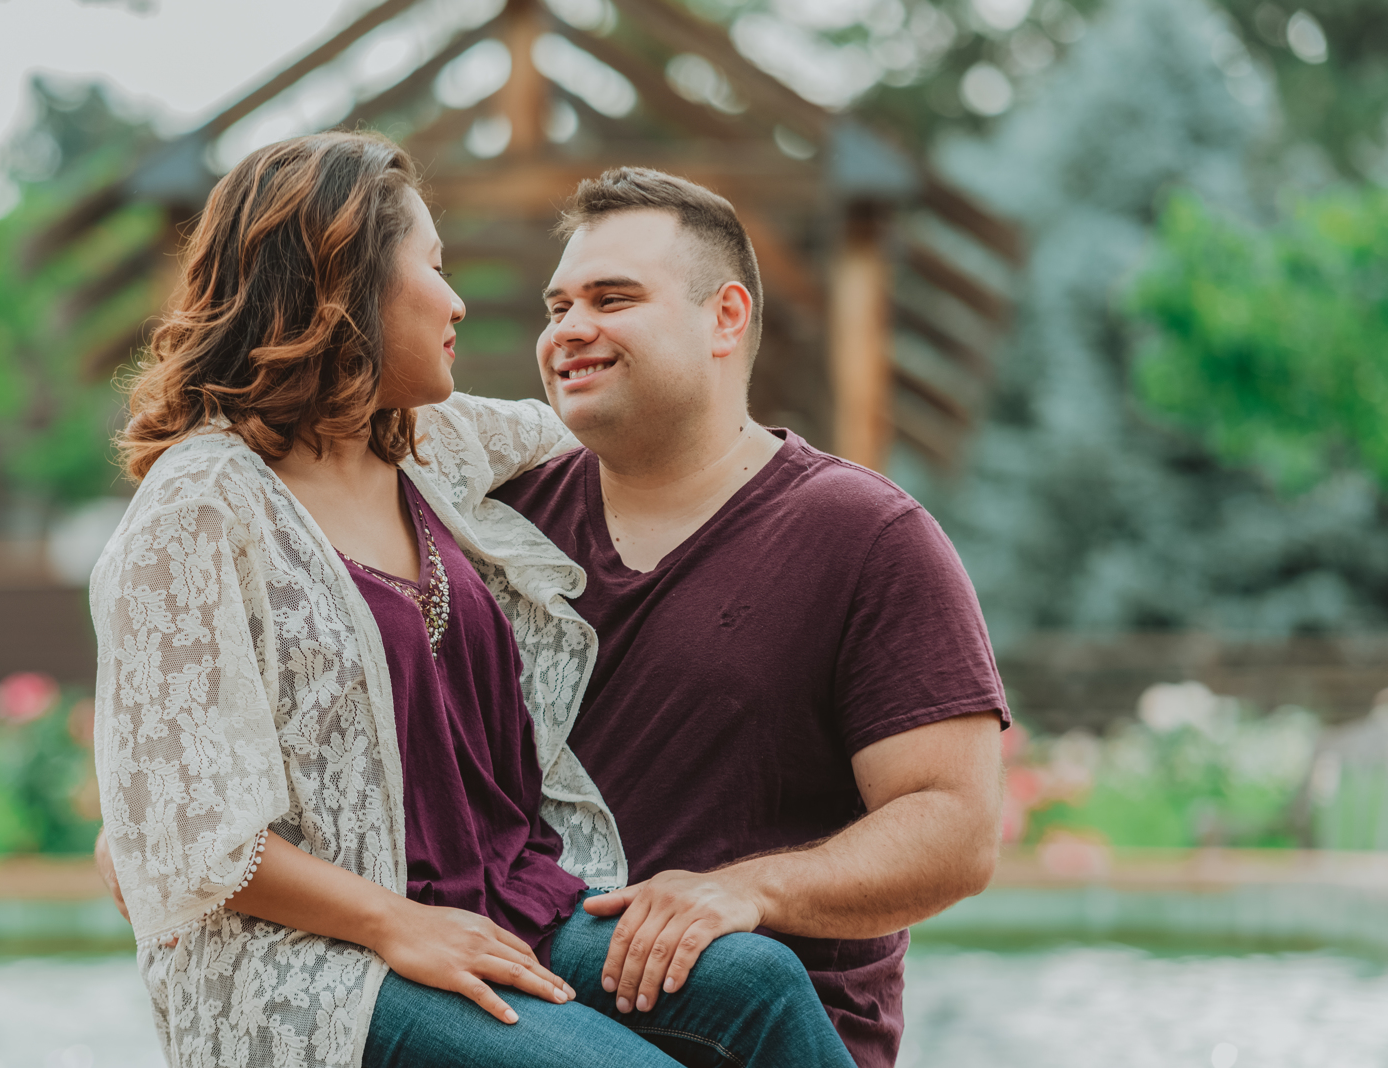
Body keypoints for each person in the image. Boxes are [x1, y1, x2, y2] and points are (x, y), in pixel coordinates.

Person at [89, 132, 857, 1068]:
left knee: (762, 986)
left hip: (504, 898)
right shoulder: (201, 506)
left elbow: (606, 420)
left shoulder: (429, 448)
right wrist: (393, 922)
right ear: (347, 284)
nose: (456, 300)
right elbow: (187, 836)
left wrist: (816, 500)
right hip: (314, 961)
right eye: (435, 266)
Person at [482, 168, 1009, 1068]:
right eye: (557, 304)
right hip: (526, 1026)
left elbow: (956, 828)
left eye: (613, 298)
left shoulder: (869, 537)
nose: (570, 329)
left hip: (765, 1042)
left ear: (725, 317)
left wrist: (743, 893)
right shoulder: (496, 522)